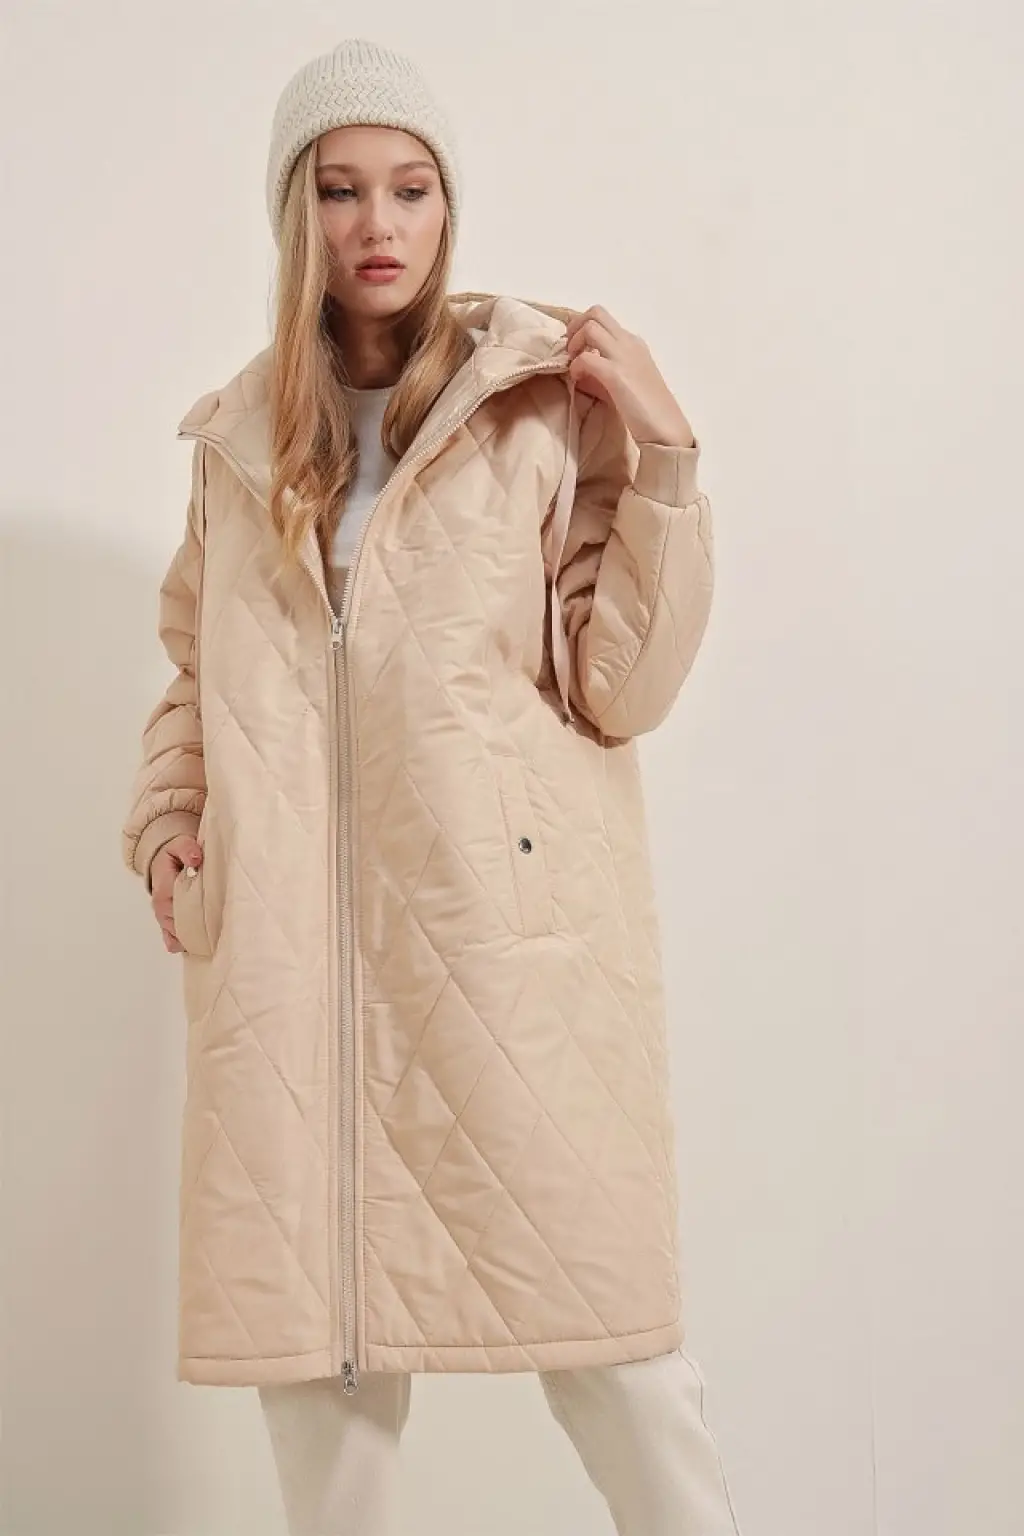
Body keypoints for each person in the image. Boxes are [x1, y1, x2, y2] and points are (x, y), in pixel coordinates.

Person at [121, 35, 740, 1536]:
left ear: (450, 203)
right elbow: (195, 670)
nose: (377, 224)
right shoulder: (239, 442)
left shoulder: (538, 409)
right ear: (297, 211)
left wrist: (664, 457)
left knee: (626, 1375)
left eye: (409, 187)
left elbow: (621, 687)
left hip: (503, 952)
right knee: (324, 1410)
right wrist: (169, 831)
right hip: (292, 980)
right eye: (339, 189)